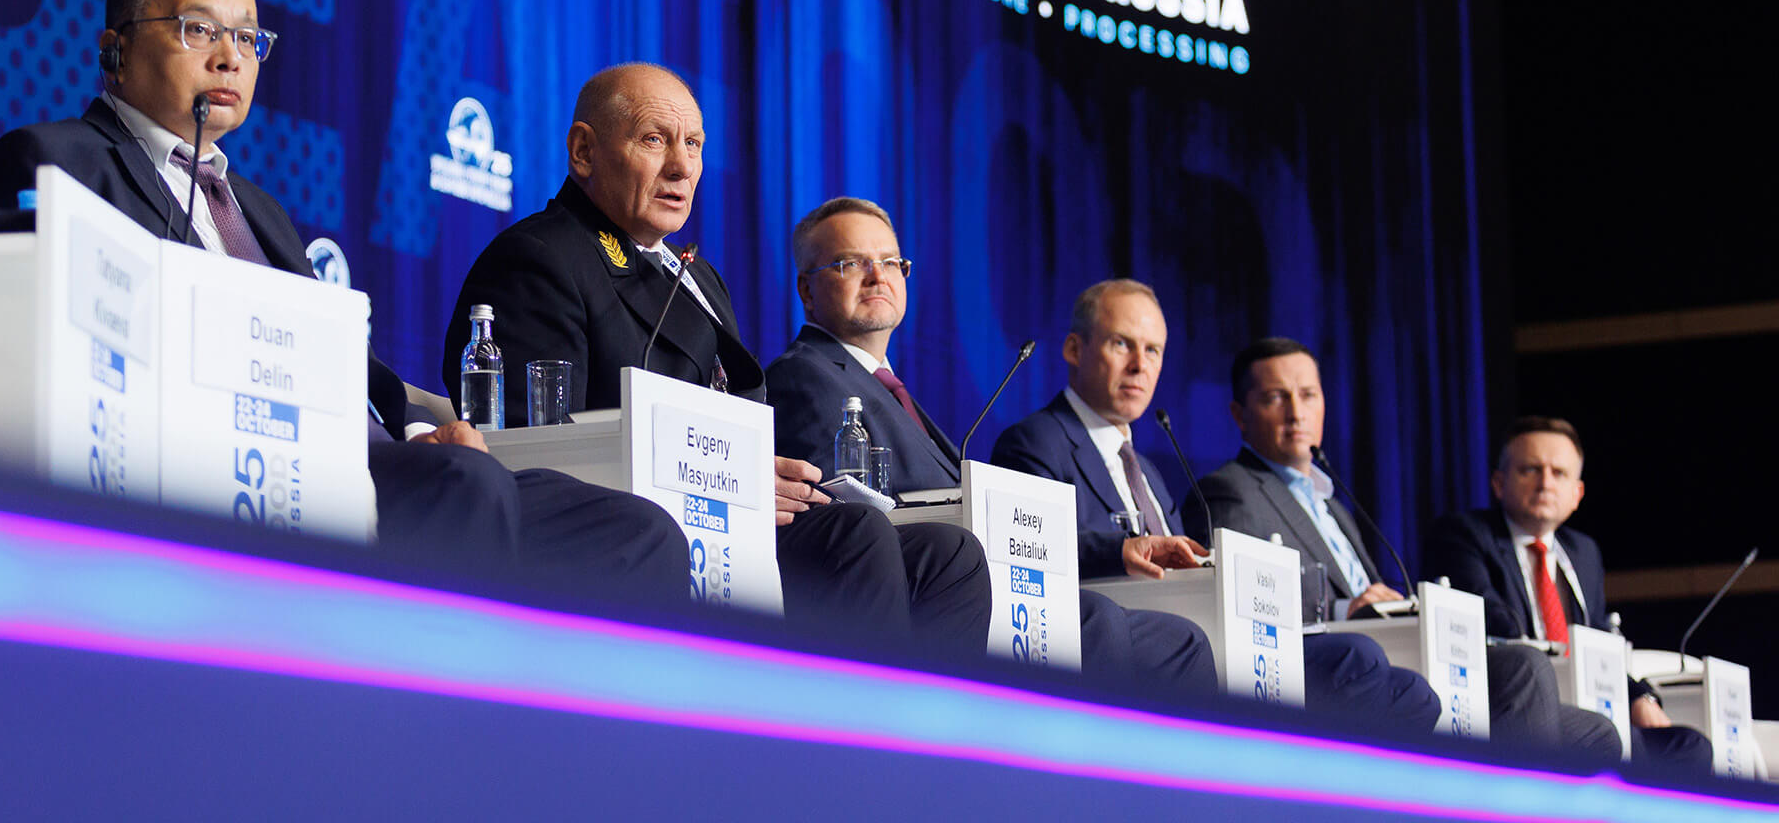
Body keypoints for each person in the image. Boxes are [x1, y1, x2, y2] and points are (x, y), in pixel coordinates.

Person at [0, 0, 686, 609]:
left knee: (638, 533)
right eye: (199, 31)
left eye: (247, 38)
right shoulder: (58, 159)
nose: (229, 59)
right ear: (117, 49)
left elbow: (346, 364)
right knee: (464, 485)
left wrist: (417, 430)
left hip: (360, 457)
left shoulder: (259, 209)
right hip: (230, 452)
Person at [441, 65, 988, 662]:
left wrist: (757, 477)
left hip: (727, 516)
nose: (682, 167)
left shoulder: (697, 276)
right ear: (584, 152)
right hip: (638, 523)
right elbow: (536, 448)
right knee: (854, 534)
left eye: (695, 144)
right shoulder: (542, 257)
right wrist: (730, 476)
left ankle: (934, 719)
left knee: (949, 557)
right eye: (655, 139)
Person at [766, 198, 1214, 695]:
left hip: (982, 573)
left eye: (890, 262)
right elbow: (842, 510)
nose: (878, 276)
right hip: (930, 582)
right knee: (1097, 620)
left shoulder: (886, 386)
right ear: (806, 289)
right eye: (852, 263)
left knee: (1183, 642)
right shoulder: (803, 375)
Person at [993, 284, 1440, 733]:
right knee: (1355, 656)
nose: (1139, 365)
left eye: (1153, 351)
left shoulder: (1148, 471)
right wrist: (1121, 550)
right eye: (1121, 344)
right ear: (1074, 349)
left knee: (1416, 693)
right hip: (1123, 639)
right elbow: (1021, 547)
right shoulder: (1036, 442)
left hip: (1202, 637)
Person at [1202, 338, 1624, 756]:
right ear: (1240, 414)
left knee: (1597, 732)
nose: (1297, 413)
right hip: (1341, 670)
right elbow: (1246, 605)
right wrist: (1345, 610)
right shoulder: (1232, 490)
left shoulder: (1331, 503)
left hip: (1401, 655)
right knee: (1521, 667)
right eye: (1275, 398)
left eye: (1308, 395)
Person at [1425, 416, 1711, 770]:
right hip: (1519, 699)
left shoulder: (1583, 552)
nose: (1545, 483)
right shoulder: (1463, 534)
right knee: (1597, 730)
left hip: (1590, 699)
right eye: (1530, 470)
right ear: (1499, 484)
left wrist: (1639, 697)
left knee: (1687, 746)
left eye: (1559, 473)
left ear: (1577, 493)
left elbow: (1599, 639)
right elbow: (1492, 620)